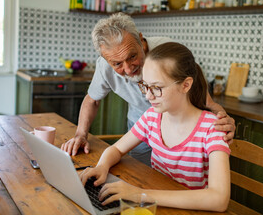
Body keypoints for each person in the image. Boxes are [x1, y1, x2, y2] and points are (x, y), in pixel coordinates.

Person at [61, 12, 235, 166]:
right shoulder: (104, 67)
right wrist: (80, 135)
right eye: (117, 64)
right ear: (106, 60)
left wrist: (223, 121)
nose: (129, 69)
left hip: (179, 126)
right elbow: (92, 100)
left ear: (141, 39)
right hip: (140, 123)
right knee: (143, 173)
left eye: (133, 56)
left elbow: (206, 101)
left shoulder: (166, 53)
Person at [79, 42, 230, 212]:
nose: (149, 96)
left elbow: (219, 199)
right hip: (158, 205)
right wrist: (101, 166)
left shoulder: (212, 128)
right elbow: (117, 149)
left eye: (157, 88)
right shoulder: (152, 117)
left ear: (186, 85)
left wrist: (141, 195)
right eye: (146, 86)